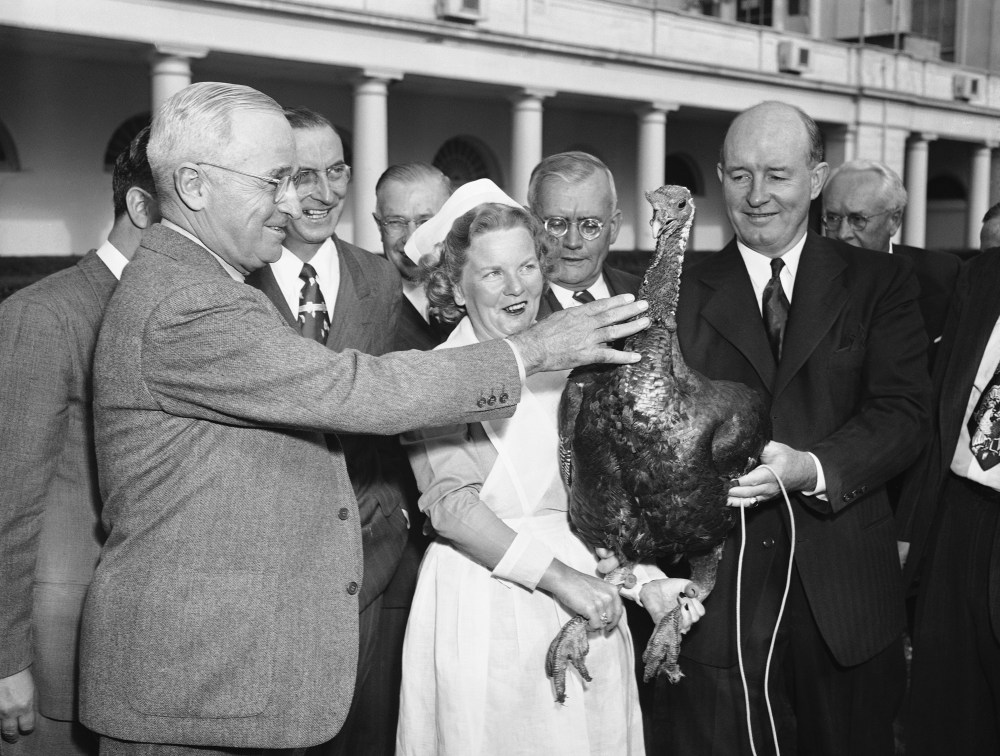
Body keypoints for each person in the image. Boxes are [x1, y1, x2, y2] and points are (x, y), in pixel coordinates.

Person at [77, 81, 649, 756]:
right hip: (193, 683)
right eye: (274, 180)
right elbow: (352, 389)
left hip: (222, 671)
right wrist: (532, 351)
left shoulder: (205, 284)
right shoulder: (188, 302)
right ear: (195, 186)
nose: (292, 202)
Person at [657, 101, 931, 756]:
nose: (757, 195)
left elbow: (904, 413)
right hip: (721, 604)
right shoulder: (677, 294)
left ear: (816, 179)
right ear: (720, 178)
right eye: (740, 175)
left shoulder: (881, 282)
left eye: (777, 174)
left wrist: (811, 467)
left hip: (847, 599)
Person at [395, 191, 699, 756]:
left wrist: (645, 582)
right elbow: (452, 509)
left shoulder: (580, 366)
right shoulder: (436, 375)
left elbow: (596, 501)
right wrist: (563, 580)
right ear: (456, 288)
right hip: (484, 600)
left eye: (528, 266)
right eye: (493, 273)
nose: (516, 288)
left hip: (590, 604)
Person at [244, 107, 411, 756]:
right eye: (301, 175)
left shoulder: (380, 277)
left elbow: (395, 401)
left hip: (370, 554)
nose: (323, 192)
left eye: (336, 171)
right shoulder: (236, 281)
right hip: (267, 563)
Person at [0, 128, 159, 754]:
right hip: (57, 649)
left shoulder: (184, 310)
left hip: (151, 648)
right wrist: (5, 659)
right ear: (141, 207)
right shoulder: (45, 313)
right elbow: (9, 498)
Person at [896, 252, 1000, 755]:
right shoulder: (984, 275)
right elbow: (938, 409)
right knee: (945, 717)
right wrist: (909, 527)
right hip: (955, 517)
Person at [822, 159, 960, 363]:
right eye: (833, 218)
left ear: (894, 220)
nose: (842, 234)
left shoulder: (942, 275)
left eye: (858, 219)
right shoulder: (802, 276)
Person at [527, 151, 640, 316]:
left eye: (590, 226)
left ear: (613, 228)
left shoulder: (647, 296)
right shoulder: (509, 307)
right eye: (556, 225)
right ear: (531, 225)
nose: (573, 242)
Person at [373, 162, 453, 350]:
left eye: (424, 222)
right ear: (379, 226)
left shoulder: (477, 289)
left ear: (449, 222)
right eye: (395, 222)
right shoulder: (362, 301)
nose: (410, 240)